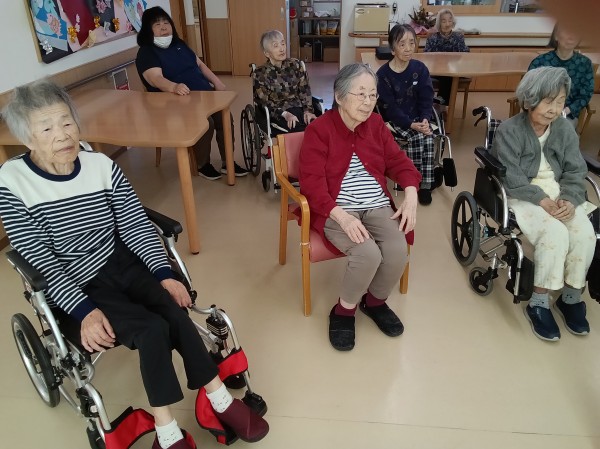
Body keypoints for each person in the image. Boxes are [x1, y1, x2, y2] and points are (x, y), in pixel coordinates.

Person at [0, 80, 269, 449]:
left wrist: (164, 274)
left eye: (66, 122)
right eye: (46, 128)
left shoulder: (99, 165)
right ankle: (166, 430)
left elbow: (133, 224)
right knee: (150, 330)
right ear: (27, 139)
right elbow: (40, 260)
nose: (62, 135)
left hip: (120, 262)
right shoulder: (14, 183)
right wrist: (85, 312)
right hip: (78, 282)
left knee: (174, 310)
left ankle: (218, 398)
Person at [299, 63, 421, 351]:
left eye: (373, 94)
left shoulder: (376, 125)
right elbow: (312, 184)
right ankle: (344, 310)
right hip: (336, 208)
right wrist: (342, 217)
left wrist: (411, 193)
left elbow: (399, 162)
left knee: (397, 249)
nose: (368, 102)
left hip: (376, 204)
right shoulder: (319, 130)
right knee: (367, 254)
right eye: (361, 94)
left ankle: (374, 302)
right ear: (339, 97)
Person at [491, 66, 597, 342]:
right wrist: (542, 200)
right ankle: (539, 302)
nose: (554, 109)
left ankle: (571, 296)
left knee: (585, 235)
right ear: (529, 100)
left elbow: (575, 169)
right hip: (523, 194)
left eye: (559, 102)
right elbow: (511, 177)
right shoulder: (509, 130)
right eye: (548, 101)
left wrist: (570, 198)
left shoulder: (564, 129)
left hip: (560, 192)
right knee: (555, 235)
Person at [135, 6, 247, 180]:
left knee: (224, 116)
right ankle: (203, 164)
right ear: (148, 29)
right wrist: (174, 87)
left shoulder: (179, 44)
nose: (163, 27)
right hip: (173, 102)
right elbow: (155, 78)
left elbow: (200, 64)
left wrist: (216, 82)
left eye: (166, 23)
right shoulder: (146, 52)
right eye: (157, 24)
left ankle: (228, 162)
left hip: (202, 95)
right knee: (206, 123)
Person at [376, 24, 436, 205]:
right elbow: (390, 108)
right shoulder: (383, 75)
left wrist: (425, 119)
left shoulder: (420, 69)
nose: (408, 48)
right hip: (395, 121)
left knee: (428, 137)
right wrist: (410, 124)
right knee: (417, 137)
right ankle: (413, 182)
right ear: (392, 49)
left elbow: (427, 98)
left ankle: (425, 185)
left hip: (419, 118)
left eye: (411, 43)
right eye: (402, 44)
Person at [253, 30, 317, 135]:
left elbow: (305, 90)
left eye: (283, 43)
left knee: (317, 124)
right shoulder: (260, 73)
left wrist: (308, 111)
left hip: (298, 108)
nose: (282, 49)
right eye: (276, 46)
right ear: (267, 53)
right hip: (278, 113)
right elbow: (265, 102)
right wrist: (285, 114)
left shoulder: (295, 65)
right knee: (299, 129)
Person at [528, 24, 594, 126]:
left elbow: (585, 95)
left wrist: (565, 111)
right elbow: (529, 90)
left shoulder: (585, 63)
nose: (571, 36)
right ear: (556, 36)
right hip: (540, 111)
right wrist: (544, 110)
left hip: (566, 114)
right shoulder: (540, 61)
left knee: (561, 130)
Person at [424, 8, 470, 107]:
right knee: (446, 75)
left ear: (453, 22)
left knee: (449, 74)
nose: (447, 24)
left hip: (455, 70)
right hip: (436, 70)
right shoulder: (433, 38)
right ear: (439, 23)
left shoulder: (458, 37)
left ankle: (441, 104)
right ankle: (443, 105)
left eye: (450, 21)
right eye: (443, 21)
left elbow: (465, 53)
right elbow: (426, 55)